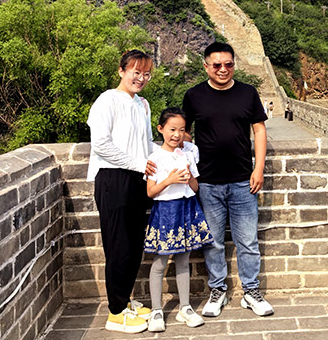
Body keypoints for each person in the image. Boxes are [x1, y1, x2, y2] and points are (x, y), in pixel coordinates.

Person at [182, 42, 274, 318]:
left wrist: (259, 169)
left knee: (248, 241)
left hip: (243, 180)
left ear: (234, 64)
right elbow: (184, 133)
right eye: (217, 65)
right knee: (213, 242)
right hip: (207, 181)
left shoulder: (247, 93)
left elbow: (259, 131)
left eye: (228, 64)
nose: (223, 69)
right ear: (206, 66)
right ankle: (218, 290)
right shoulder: (194, 95)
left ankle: (251, 291)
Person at [87, 50, 157, 334]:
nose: (141, 78)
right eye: (135, 72)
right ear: (121, 71)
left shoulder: (142, 104)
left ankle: (125, 300)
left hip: (138, 180)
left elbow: (148, 143)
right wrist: (137, 164)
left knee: (133, 245)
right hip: (113, 179)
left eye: (146, 74)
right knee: (118, 247)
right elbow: (101, 144)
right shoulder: (107, 100)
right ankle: (115, 313)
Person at [144, 107, 213, 331]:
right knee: (160, 261)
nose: (177, 135)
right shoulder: (155, 157)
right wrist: (169, 180)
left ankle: (185, 307)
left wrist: (189, 176)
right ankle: (156, 310)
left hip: (187, 208)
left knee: (184, 260)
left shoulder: (187, 154)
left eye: (182, 130)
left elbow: (195, 187)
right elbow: (150, 192)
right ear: (161, 129)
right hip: (166, 211)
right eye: (172, 129)